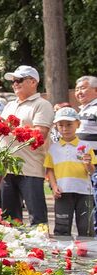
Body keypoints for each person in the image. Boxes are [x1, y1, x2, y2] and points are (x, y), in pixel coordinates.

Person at [0, 65, 54, 225]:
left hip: (30, 169)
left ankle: (41, 249)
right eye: (13, 81)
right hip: (6, 168)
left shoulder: (42, 104)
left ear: (33, 82)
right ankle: (12, 249)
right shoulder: (10, 105)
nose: (15, 84)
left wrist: (9, 128)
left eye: (19, 80)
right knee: (9, 220)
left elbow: (39, 135)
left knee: (37, 219)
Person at [44, 107, 96, 237]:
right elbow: (49, 170)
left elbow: (92, 171)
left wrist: (88, 164)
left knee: (86, 225)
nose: (65, 128)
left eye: (69, 124)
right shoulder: (53, 149)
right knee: (62, 224)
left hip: (85, 192)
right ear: (56, 126)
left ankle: (86, 251)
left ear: (78, 124)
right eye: (60, 125)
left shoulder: (86, 146)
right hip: (63, 192)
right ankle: (63, 251)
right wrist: (54, 186)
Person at [75, 75, 97, 231]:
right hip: (83, 167)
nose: (78, 92)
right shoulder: (81, 110)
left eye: (83, 88)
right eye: (77, 89)